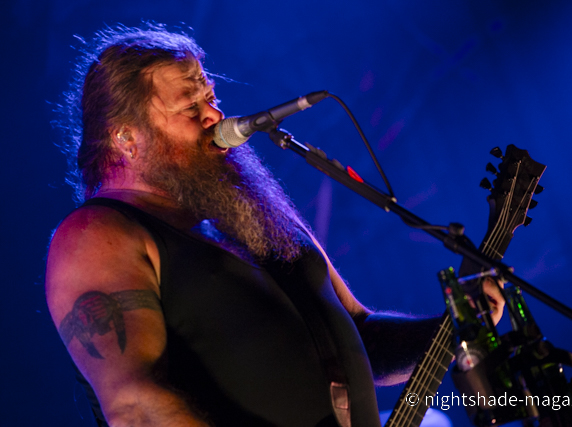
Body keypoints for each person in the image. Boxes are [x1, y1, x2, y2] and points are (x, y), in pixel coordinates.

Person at [46, 24, 505, 427]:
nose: (215, 116)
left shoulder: (247, 218)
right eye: (191, 106)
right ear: (126, 137)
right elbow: (136, 408)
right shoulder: (97, 236)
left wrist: (453, 327)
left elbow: (360, 338)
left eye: (211, 98)